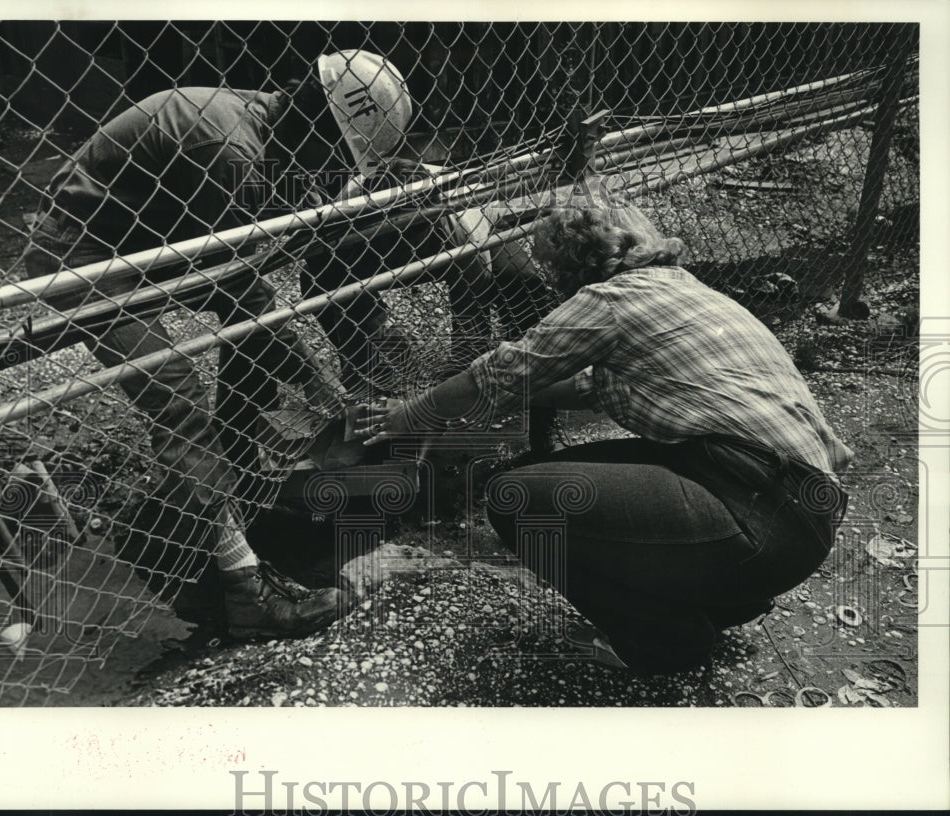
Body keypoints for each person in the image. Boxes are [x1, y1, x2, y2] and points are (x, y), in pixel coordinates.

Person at [358, 181, 853, 674]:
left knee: (517, 498)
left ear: (568, 263)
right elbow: (579, 386)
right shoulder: (685, 291)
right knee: (557, 475)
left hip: (756, 512)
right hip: (801, 510)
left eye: (550, 268)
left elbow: (504, 368)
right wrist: (470, 399)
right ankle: (719, 602)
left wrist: (413, 411)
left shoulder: (609, 300)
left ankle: (662, 643)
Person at [21, 52, 416, 639]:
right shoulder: (232, 151)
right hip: (80, 255)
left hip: (144, 240)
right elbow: (238, 287)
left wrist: (321, 391)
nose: (330, 171)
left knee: (255, 343)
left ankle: (236, 490)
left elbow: (241, 293)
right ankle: (244, 590)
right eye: (335, 154)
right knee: (176, 393)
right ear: (319, 123)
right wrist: (324, 391)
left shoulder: (257, 129)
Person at [303, 50, 562, 456]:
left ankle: (537, 421)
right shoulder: (350, 204)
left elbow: (472, 296)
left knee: (523, 288)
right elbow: (321, 270)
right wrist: (376, 349)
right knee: (328, 283)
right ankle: (373, 390)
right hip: (377, 232)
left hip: (479, 223)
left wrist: (459, 381)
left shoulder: (458, 227)